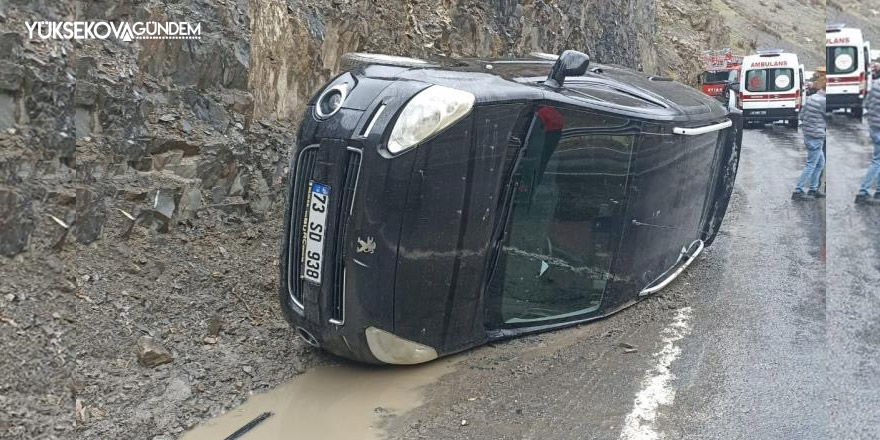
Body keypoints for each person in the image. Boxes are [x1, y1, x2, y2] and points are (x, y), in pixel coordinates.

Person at [792, 76, 826, 201]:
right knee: (811, 164)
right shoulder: (823, 102)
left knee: (820, 163)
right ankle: (798, 190)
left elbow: (801, 115)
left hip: (808, 135)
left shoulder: (811, 98)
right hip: (816, 136)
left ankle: (813, 189)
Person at [854, 63, 880, 204]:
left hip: (874, 127)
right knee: (877, 161)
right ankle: (863, 192)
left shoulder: (874, 85)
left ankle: (878, 192)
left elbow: (866, 104)